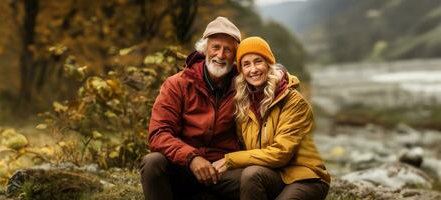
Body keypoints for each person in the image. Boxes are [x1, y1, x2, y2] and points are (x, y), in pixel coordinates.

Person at [212, 36, 331, 200]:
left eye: (258, 61)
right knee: (213, 179)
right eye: (246, 64)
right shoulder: (243, 103)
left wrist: (230, 160)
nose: (253, 69)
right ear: (241, 71)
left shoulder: (293, 101)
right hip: (272, 174)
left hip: (305, 177)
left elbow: (280, 154)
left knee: (251, 173)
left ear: (269, 64)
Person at [141, 16, 244, 200]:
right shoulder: (177, 84)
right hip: (184, 168)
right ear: (205, 50)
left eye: (228, 50)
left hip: (223, 172)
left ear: (235, 56)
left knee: (256, 179)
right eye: (215, 47)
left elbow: (267, 75)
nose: (220, 55)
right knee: (152, 162)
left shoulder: (243, 87)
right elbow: (159, 134)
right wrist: (192, 158)